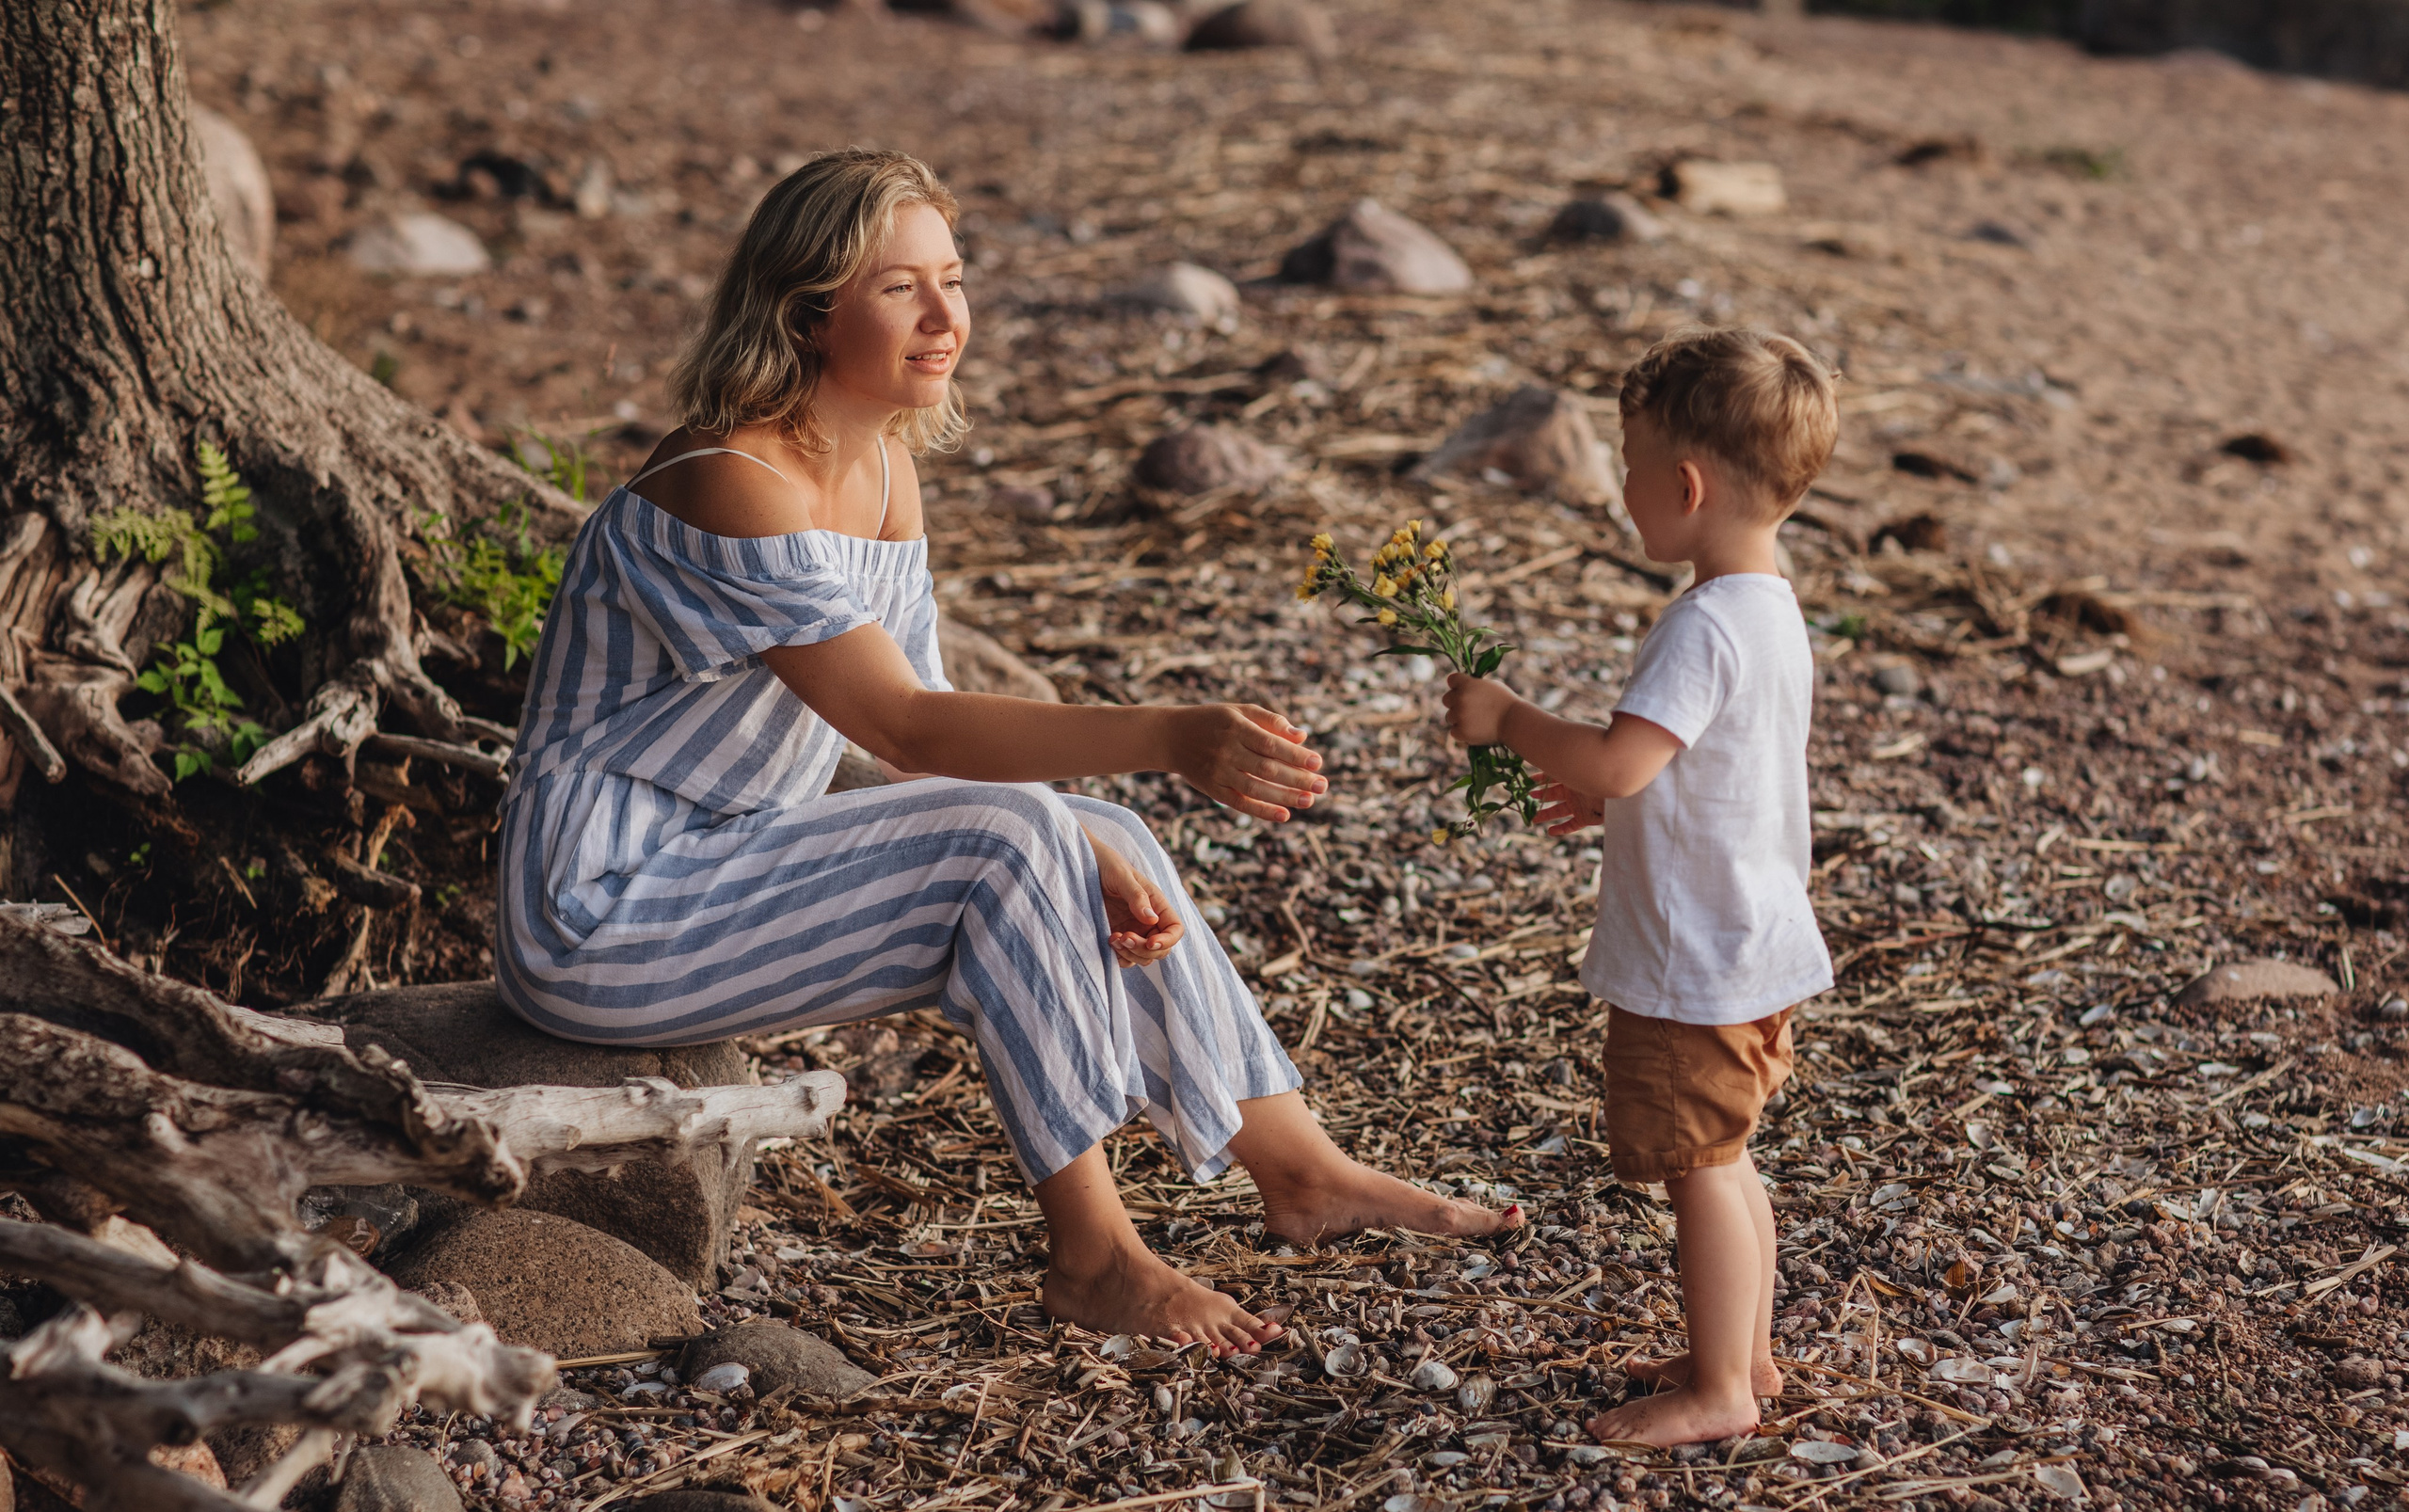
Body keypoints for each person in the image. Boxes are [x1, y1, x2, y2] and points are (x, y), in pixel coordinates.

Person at [496, 148, 1514, 1355]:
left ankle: (1300, 1169)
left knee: (1099, 834)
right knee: (1018, 829)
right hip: (603, 908)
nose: (945, 318)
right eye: (900, 289)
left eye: (953, 280)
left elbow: (917, 730)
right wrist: (1165, 735)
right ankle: (1095, 1256)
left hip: (731, 857)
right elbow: (906, 728)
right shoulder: (728, 481)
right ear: (807, 311)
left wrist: (1085, 819)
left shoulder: (878, 468)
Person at [1441, 326, 1839, 1444]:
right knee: (1732, 1155)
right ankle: (1744, 1355)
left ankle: (1717, 1390)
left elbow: (1622, 754)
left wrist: (1509, 719)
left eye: (1626, 464)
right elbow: (1705, 771)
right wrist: (1626, 803)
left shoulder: (1699, 624)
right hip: (1753, 944)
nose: (1618, 487)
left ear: (1685, 483)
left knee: (1698, 1168)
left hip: (1689, 963)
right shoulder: (1771, 609)